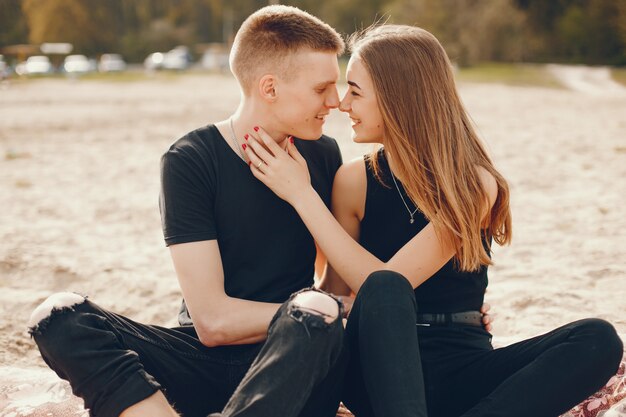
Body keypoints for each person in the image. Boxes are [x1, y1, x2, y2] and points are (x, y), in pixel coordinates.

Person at [242, 24, 624, 417]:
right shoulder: (354, 181)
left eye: (355, 91)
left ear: (397, 98)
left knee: (598, 339)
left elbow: (392, 279)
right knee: (385, 292)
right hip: (374, 367)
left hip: (463, 363)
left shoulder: (474, 184)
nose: (342, 104)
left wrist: (303, 196)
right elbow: (340, 290)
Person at [26, 6, 348, 417]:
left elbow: (333, 284)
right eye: (323, 89)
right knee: (59, 316)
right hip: (199, 360)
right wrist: (297, 314)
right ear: (270, 88)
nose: (335, 102)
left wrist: (305, 320)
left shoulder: (323, 154)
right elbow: (212, 322)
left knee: (319, 314)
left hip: (293, 361)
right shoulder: (191, 159)